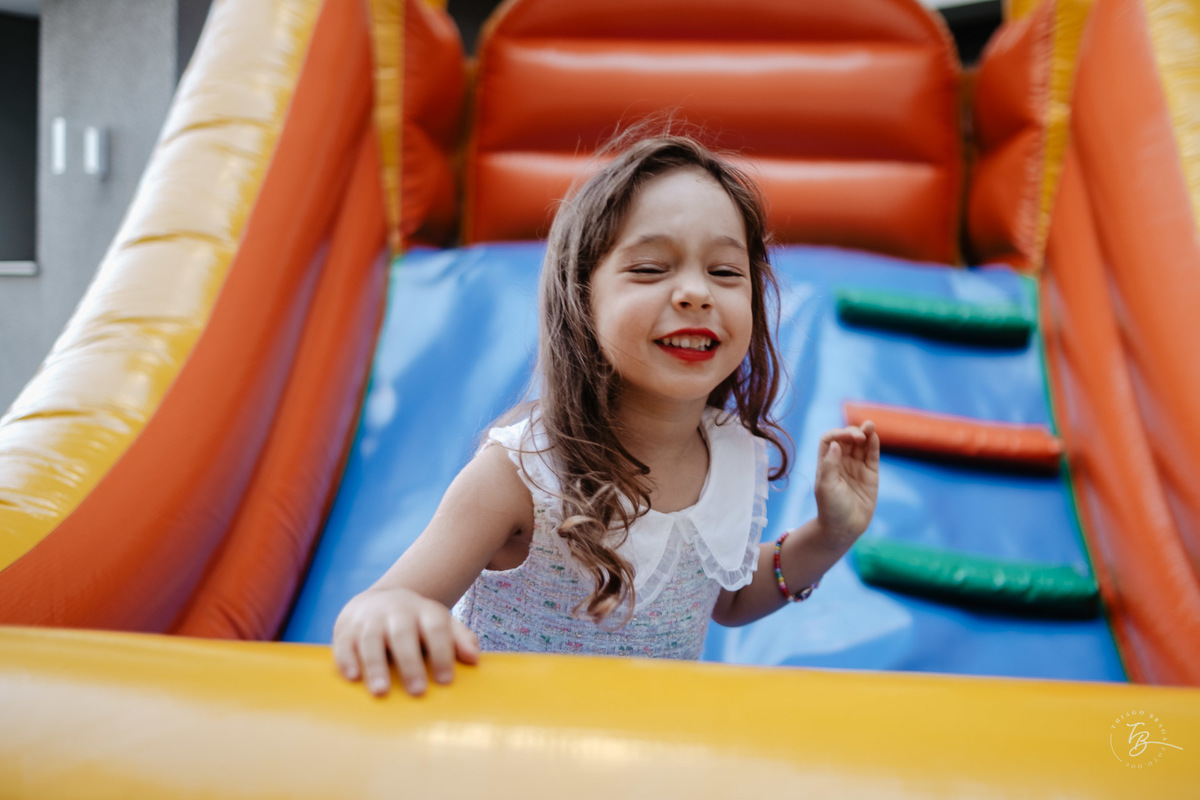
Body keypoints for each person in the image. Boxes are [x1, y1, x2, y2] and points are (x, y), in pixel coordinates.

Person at [332, 135, 880, 697]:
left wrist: (830, 534)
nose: (695, 292)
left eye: (724, 272)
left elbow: (729, 599)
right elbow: (383, 602)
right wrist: (392, 613)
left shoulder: (731, 453)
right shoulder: (520, 476)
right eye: (649, 268)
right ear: (582, 299)